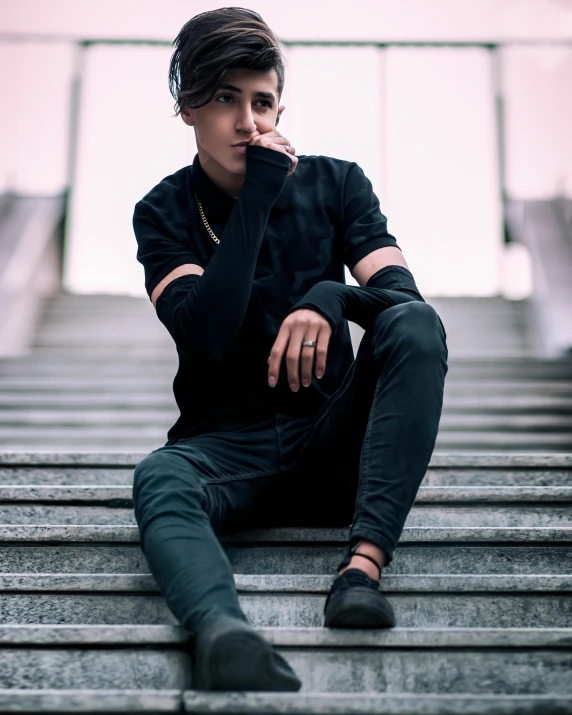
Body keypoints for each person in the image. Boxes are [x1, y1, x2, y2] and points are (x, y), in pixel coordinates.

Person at [131, 6, 448, 692]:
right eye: (225, 99)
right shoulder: (162, 211)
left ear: (280, 104)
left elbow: (408, 307)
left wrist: (330, 298)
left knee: (416, 330)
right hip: (226, 450)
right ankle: (222, 631)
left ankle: (361, 569)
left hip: (328, 443)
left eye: (263, 101)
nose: (249, 122)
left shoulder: (337, 184)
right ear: (188, 106)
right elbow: (205, 333)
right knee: (160, 476)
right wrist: (258, 197)